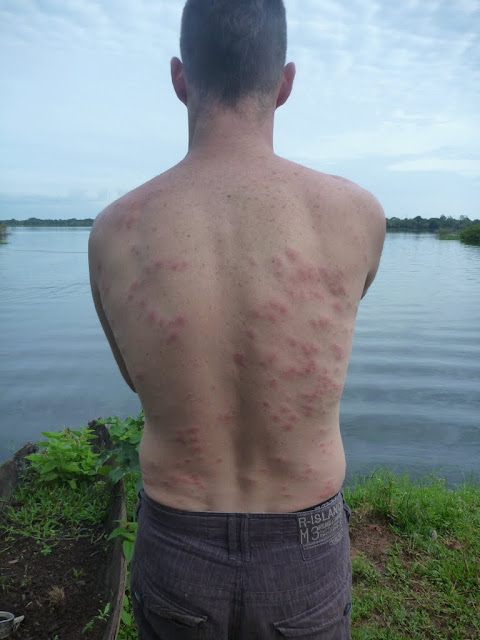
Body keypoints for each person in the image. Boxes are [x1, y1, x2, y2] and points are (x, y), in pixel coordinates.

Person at [88, 0, 385, 637]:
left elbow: (137, 378)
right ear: (285, 83)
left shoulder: (114, 232)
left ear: (179, 78)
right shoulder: (357, 216)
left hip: (176, 536)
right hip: (304, 545)